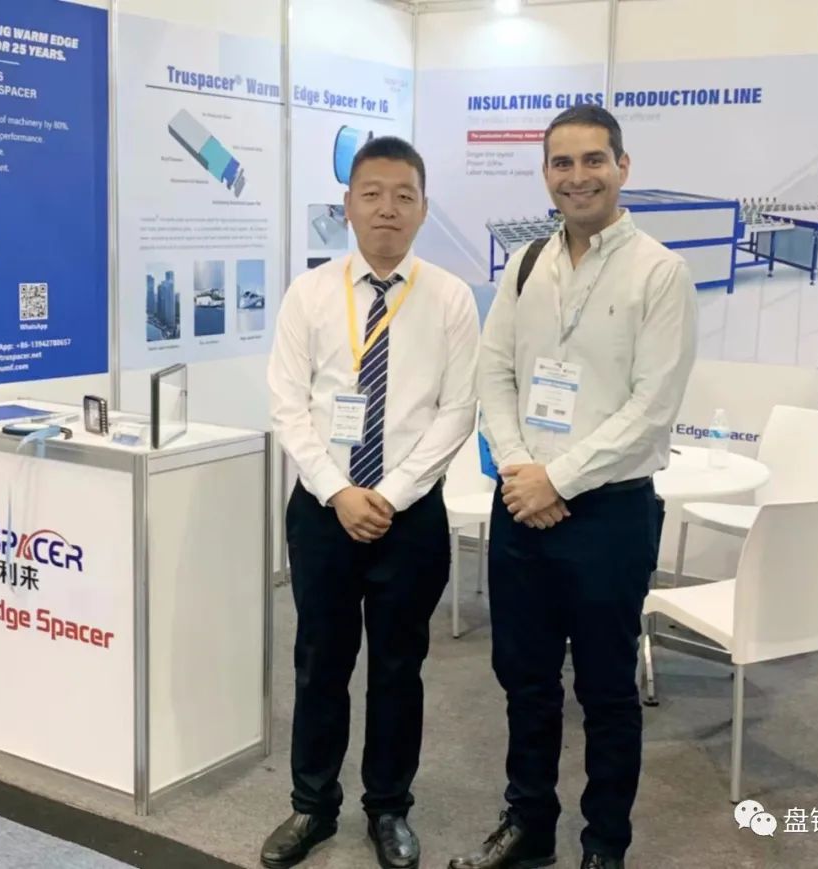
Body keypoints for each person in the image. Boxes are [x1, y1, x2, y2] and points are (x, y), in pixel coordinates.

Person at [449, 105, 698, 869]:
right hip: (521, 503)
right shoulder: (527, 263)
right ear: (546, 173)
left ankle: (604, 845)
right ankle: (529, 825)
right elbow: (493, 371)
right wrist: (520, 468)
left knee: (606, 691)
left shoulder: (659, 272)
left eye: (594, 159)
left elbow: (651, 408)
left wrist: (555, 478)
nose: (578, 176)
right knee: (525, 681)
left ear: (623, 166)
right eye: (562, 162)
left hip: (609, 514)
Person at [264, 136, 480, 869]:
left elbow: (457, 411)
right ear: (348, 206)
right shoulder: (310, 293)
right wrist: (338, 490)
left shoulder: (450, 297)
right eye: (372, 194)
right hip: (323, 511)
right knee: (319, 662)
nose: (387, 208)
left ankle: (388, 807)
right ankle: (311, 805)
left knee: (397, 666)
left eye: (403, 196)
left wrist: (385, 495)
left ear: (422, 208)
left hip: (408, 515)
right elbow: (288, 404)